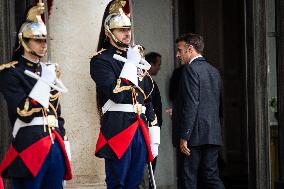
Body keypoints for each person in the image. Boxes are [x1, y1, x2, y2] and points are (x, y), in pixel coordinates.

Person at [0, 2, 72, 189]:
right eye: (37, 40)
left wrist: (62, 141)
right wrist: (43, 82)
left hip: (54, 144)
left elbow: (57, 114)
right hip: (29, 146)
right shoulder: (11, 73)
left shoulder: (48, 71)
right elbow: (24, 111)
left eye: (45, 40)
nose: (43, 45)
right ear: (24, 40)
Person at [90, 1, 160, 188]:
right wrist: (130, 65)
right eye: (121, 29)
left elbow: (148, 98)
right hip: (118, 129)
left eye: (128, 28)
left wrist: (154, 134)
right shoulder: (101, 60)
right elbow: (117, 95)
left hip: (140, 127)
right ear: (109, 32)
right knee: (118, 182)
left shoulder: (136, 59)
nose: (127, 33)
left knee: (135, 183)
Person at [175, 33, 225, 188]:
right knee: (211, 176)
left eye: (180, 50)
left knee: (189, 178)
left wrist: (185, 135)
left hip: (194, 135)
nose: (178, 55)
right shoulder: (214, 71)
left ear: (190, 49)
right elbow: (218, 104)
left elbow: (192, 103)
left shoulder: (190, 70)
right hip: (213, 133)